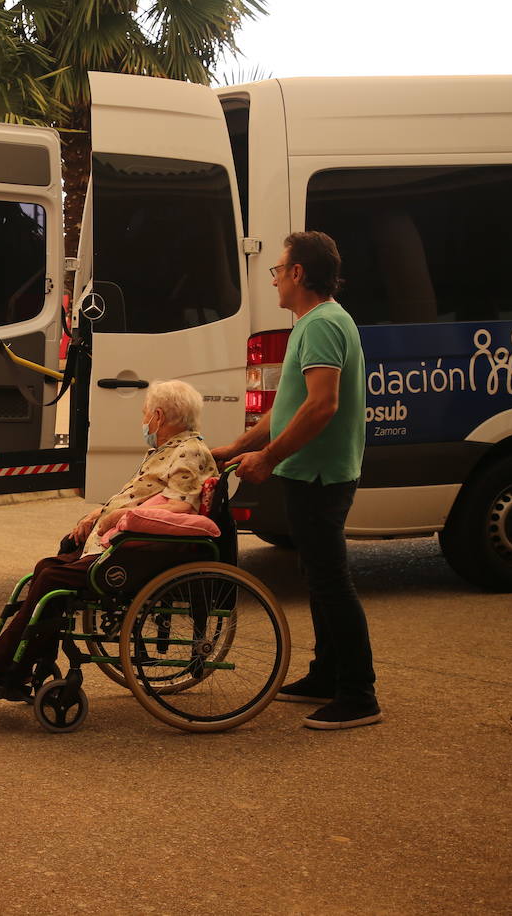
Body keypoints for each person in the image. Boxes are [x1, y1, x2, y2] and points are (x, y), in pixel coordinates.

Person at [0, 380, 217, 689]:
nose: (143, 421)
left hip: (139, 552)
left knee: (51, 581)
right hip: (120, 542)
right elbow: (143, 497)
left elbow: (179, 509)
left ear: (158, 416)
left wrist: (121, 516)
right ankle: (22, 665)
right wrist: (99, 514)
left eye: (144, 414)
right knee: (47, 568)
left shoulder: (189, 451)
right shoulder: (167, 450)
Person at [214, 231, 380, 730]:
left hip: (320, 474)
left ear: (299, 274)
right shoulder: (315, 323)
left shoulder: (324, 325)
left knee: (331, 581)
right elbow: (288, 409)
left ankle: (358, 693)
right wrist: (238, 447)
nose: (275, 281)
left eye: (278, 271)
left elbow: (321, 406)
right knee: (318, 576)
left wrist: (267, 458)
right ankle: (327, 674)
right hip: (311, 471)